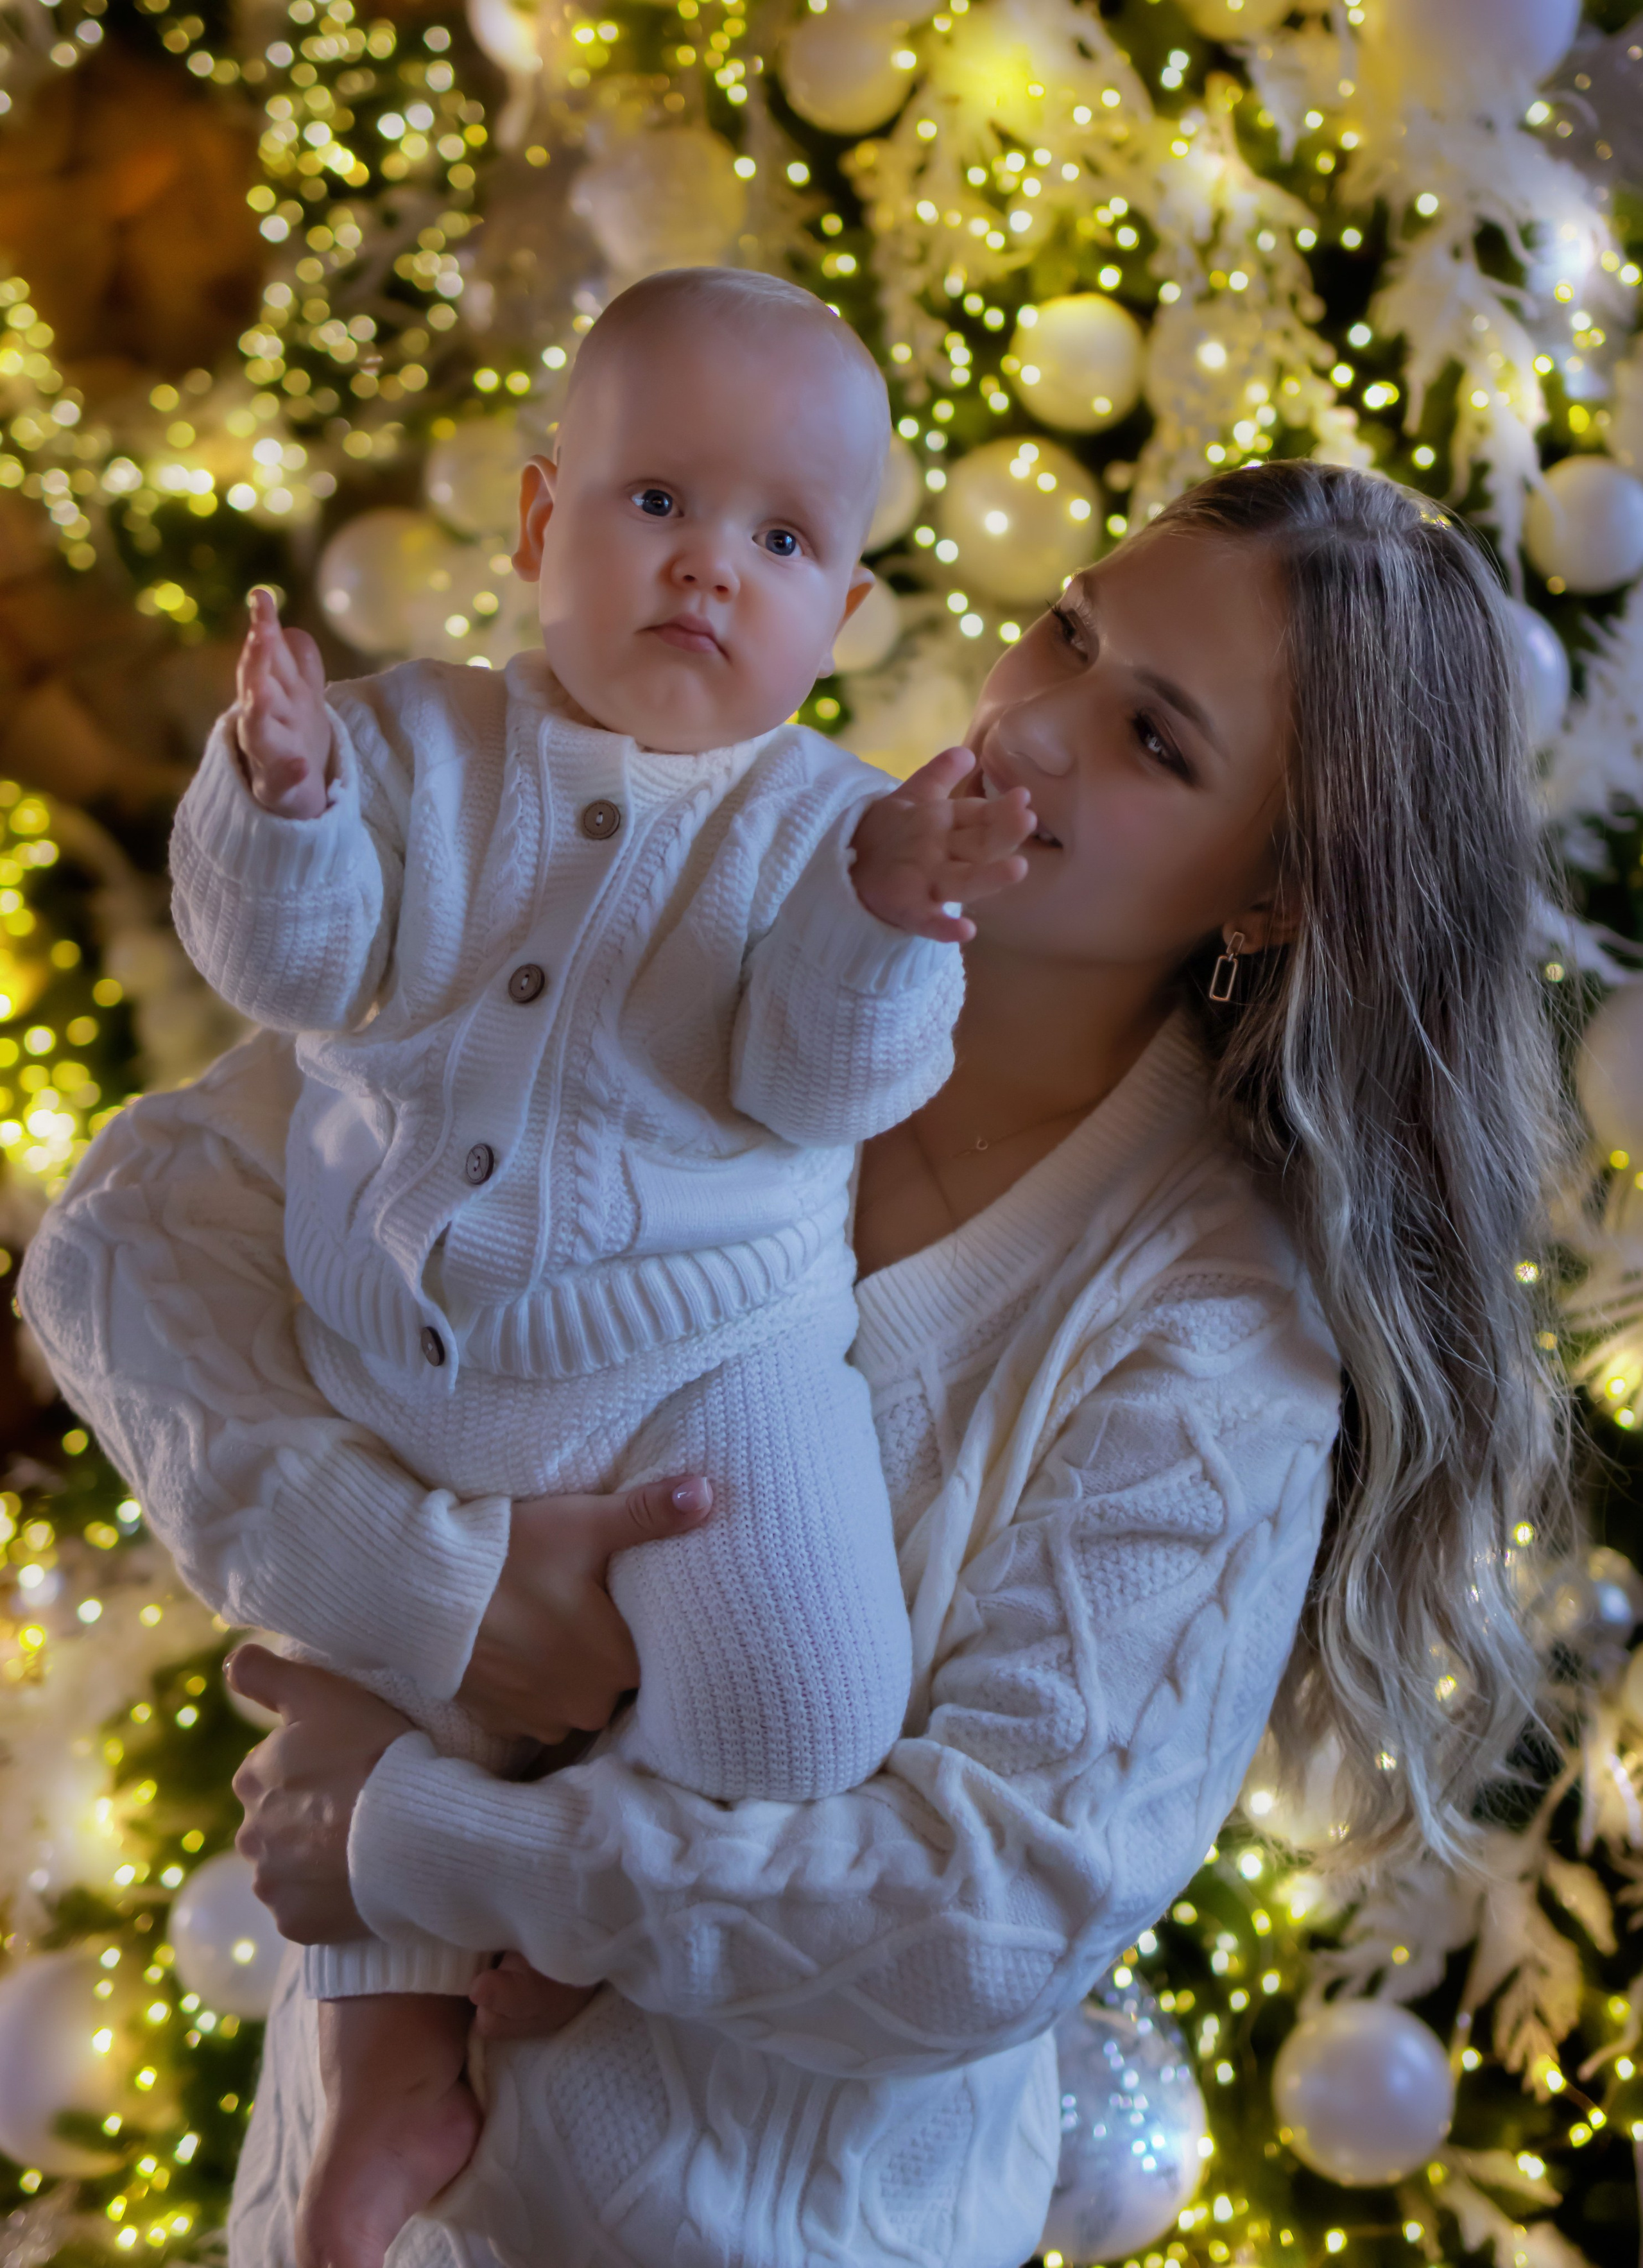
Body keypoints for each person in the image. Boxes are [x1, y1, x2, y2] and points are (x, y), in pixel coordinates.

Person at [21, 462, 1569, 2268]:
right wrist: (425, 1578)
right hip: (341, 2211)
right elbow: (128, 1233)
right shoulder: (692, 910)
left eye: (1152, 739)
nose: (1035, 728)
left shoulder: (1211, 1328)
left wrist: (419, 1842)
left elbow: (975, 1922)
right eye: (1066, 630)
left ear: (1282, 893)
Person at [30, 263, 1040, 2268]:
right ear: (534, 523)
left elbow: (816, 1078)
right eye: (656, 502)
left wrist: (893, 918)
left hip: (700, 1368)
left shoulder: (824, 827)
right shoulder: (421, 745)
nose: (705, 570)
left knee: (810, 1699)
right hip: (394, 1346)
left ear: (842, 619)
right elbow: (292, 966)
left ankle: (568, 1897)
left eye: (778, 539)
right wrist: (289, 800)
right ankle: (393, 2044)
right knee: (364, 1672)